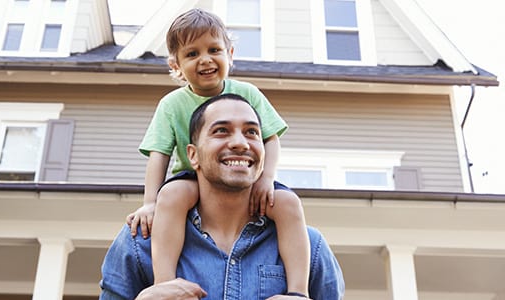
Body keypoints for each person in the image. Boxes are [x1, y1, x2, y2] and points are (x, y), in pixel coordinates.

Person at [125, 8, 313, 296]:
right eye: (192, 54)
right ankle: (165, 284)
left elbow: (271, 139)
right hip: (192, 178)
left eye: (214, 49)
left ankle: (298, 291)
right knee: (172, 196)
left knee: (287, 202)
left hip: (247, 178)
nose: (205, 59)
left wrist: (267, 177)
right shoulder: (172, 104)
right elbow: (159, 154)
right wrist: (150, 202)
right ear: (176, 65)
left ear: (230, 54)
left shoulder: (247, 93)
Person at [102, 94, 345, 299]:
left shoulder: (309, 246)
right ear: (193, 155)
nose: (240, 143)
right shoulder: (140, 241)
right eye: (221, 131)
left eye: (251, 132)